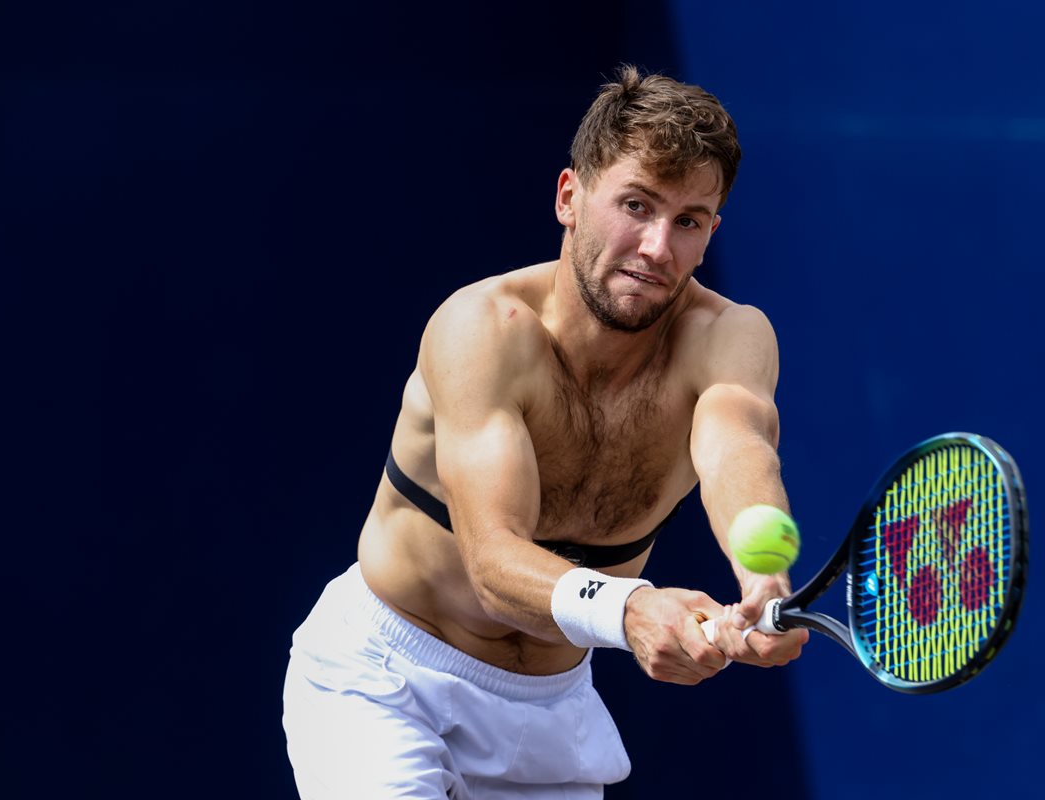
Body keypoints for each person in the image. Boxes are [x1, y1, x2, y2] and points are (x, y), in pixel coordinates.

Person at [282, 64, 809, 799]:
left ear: (710, 233)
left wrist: (762, 582)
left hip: (550, 716)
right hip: (384, 681)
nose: (657, 247)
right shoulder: (482, 328)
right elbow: (493, 561)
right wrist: (631, 609)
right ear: (570, 197)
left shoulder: (730, 338)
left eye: (688, 221)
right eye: (636, 205)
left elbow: (738, 449)